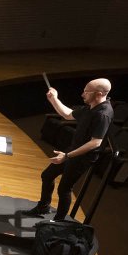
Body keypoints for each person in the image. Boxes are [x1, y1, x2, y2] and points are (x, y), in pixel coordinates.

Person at [25, 78, 113, 220]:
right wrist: (54, 99)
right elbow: (67, 114)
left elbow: (95, 143)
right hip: (72, 151)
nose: (83, 94)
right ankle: (43, 207)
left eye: (86, 92)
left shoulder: (103, 114)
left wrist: (67, 156)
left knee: (64, 188)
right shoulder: (91, 106)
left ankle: (58, 222)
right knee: (47, 175)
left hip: (83, 157)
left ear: (99, 93)